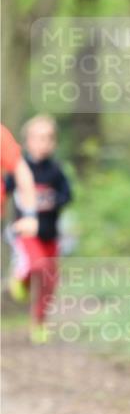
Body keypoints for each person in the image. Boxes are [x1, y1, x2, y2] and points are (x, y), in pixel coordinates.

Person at [4, 115, 73, 344]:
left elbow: (67, 195)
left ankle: (39, 323)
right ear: (27, 141)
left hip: (50, 234)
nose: (42, 143)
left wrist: (53, 200)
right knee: (37, 265)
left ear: (53, 143)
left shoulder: (56, 170)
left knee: (49, 280)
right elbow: (6, 187)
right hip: (25, 234)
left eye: (47, 138)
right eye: (37, 138)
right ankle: (20, 279)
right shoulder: (19, 167)